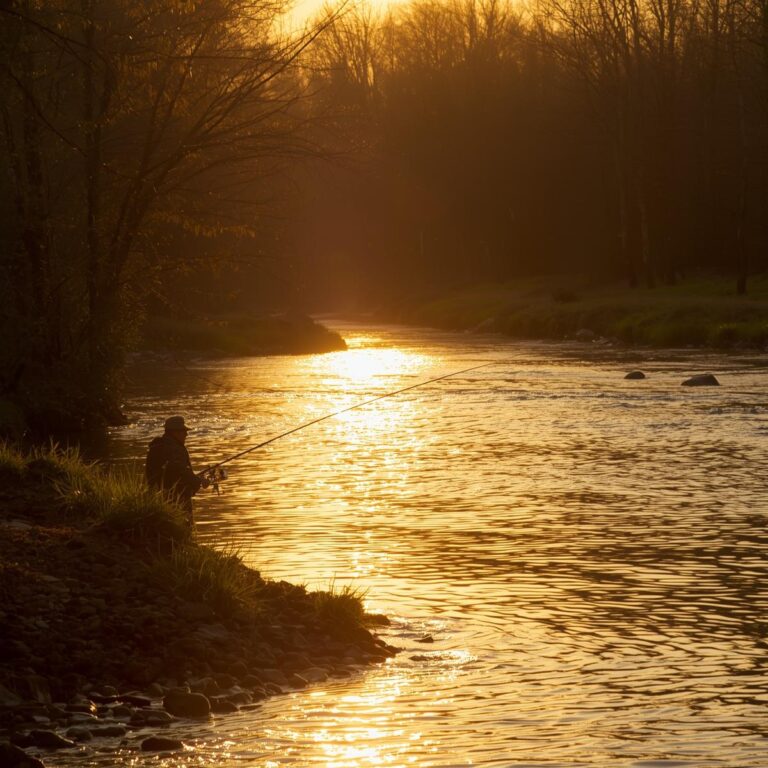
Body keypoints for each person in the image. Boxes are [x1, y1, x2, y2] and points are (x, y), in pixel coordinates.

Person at [146, 416, 209, 526]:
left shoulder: (156, 446)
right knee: (185, 530)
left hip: (157, 499)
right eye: (183, 431)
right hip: (178, 499)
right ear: (175, 432)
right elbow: (181, 472)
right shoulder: (175, 449)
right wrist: (199, 481)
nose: (186, 435)